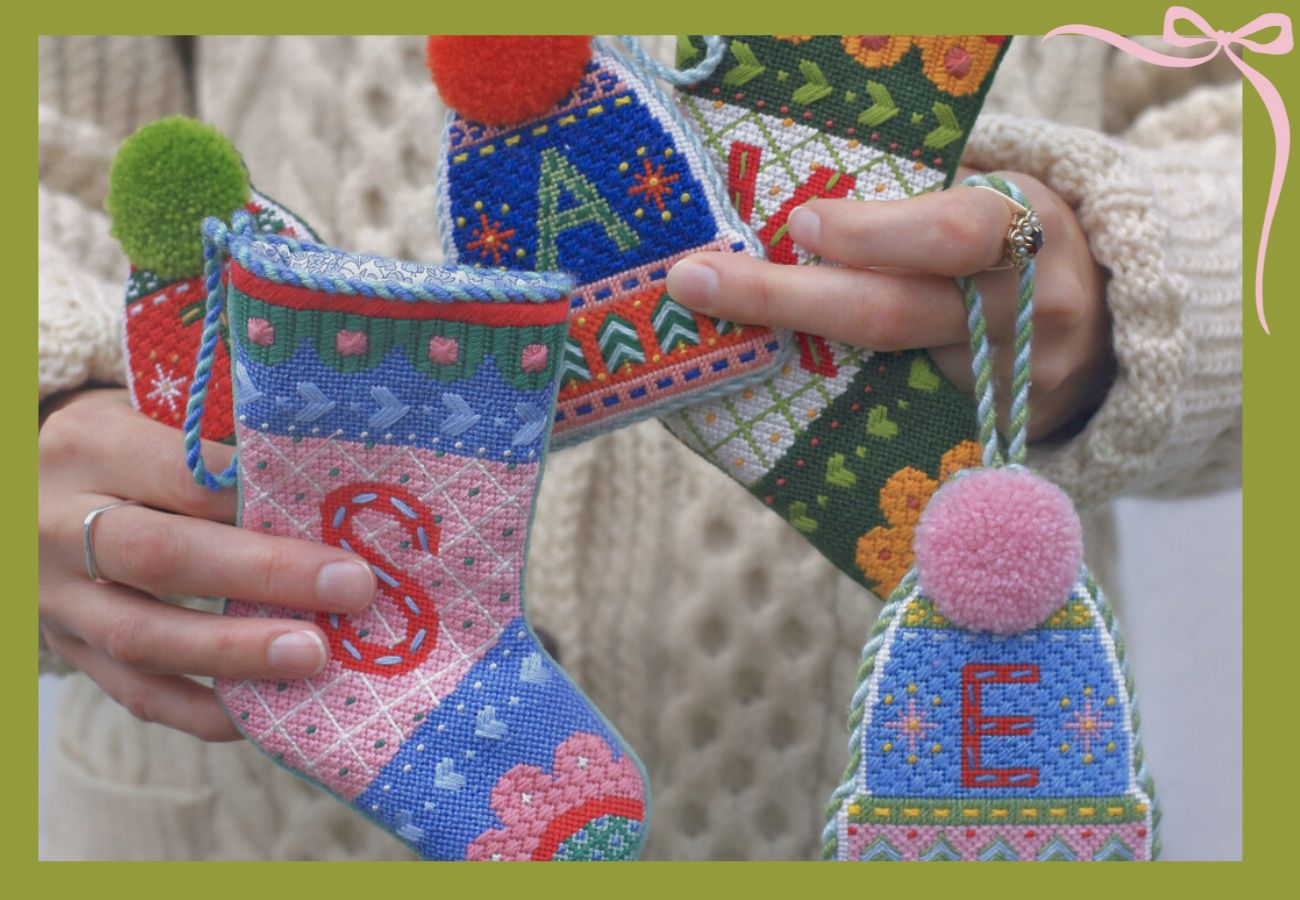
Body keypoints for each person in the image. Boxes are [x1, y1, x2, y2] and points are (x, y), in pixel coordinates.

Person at [38, 35, 1242, 860]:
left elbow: (1240, 124)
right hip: (233, 827)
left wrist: (1136, 292)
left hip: (909, 779)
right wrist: (48, 394)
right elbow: (49, 147)